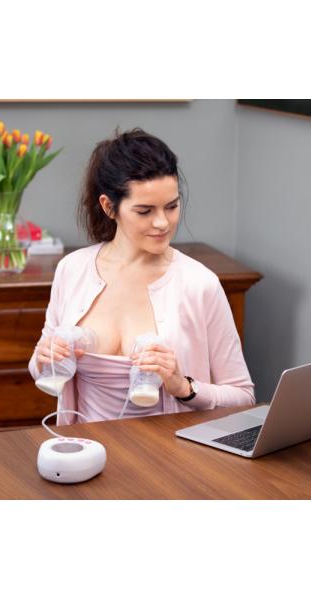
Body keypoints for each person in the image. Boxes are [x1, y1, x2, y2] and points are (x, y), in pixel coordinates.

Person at [29, 127, 255, 424]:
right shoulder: (72, 270)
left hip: (168, 451)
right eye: (145, 211)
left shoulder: (200, 284)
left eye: (172, 206)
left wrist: (183, 387)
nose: (162, 223)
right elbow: (39, 366)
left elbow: (243, 396)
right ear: (109, 207)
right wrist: (43, 358)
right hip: (86, 448)